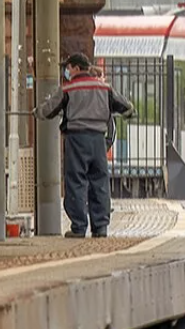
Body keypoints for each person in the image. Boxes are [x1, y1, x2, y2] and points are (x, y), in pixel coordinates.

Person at [38, 53, 135, 238]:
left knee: (76, 182)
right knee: (99, 182)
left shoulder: (68, 88)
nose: (67, 71)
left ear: (75, 68)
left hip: (76, 140)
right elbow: (124, 106)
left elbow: (49, 109)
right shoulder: (104, 87)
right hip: (98, 140)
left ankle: (79, 227)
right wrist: (130, 111)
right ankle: (100, 227)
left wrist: (37, 112)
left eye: (68, 67)